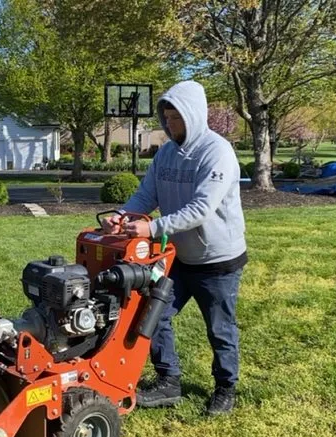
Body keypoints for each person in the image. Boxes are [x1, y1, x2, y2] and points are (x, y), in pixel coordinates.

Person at [101, 80, 247, 416]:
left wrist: (151, 227)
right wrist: (122, 217)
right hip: (177, 258)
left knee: (220, 328)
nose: (170, 125)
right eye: (166, 118)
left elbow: (201, 209)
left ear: (193, 115)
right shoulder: (166, 153)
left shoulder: (217, 151)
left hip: (218, 260)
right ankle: (169, 381)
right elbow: (145, 195)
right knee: (154, 315)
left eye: (176, 118)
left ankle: (225, 387)